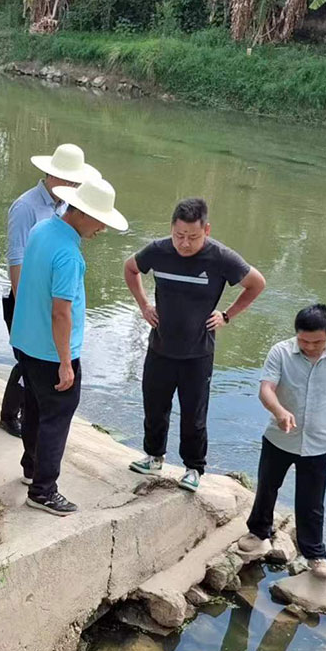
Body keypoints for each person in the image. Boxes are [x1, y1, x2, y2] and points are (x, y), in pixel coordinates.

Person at [125, 197, 266, 492]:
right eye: (179, 235)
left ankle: (193, 468)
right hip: (160, 346)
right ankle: (154, 456)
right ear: (171, 229)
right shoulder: (158, 251)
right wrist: (144, 305)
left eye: (192, 237)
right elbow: (130, 268)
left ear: (207, 230)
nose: (185, 243)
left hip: (197, 353)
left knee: (194, 415)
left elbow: (257, 283)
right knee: (154, 406)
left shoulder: (220, 258)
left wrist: (227, 315)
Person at [11, 177, 128, 516]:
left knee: (33, 408)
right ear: (84, 213)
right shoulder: (69, 255)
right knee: (56, 417)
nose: (102, 229)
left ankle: (31, 467)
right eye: (100, 221)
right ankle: (43, 490)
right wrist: (66, 362)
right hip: (52, 352)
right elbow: (61, 312)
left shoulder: (42, 229)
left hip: (26, 341)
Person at [239, 303, 326, 580]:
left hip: (318, 442)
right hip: (279, 437)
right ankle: (258, 532)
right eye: (304, 341)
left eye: (317, 342)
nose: (310, 347)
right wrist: (279, 411)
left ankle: (314, 553)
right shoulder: (280, 352)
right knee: (267, 487)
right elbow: (266, 389)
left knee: (312, 502)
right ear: (296, 334)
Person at [0, 143, 99, 438]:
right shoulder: (26, 207)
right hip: (25, 298)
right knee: (28, 360)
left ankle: (26, 418)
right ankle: (10, 414)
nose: (73, 188)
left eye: (76, 183)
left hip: (50, 299)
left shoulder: (66, 208)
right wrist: (24, 306)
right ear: (52, 175)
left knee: (38, 363)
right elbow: (16, 259)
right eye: (70, 181)